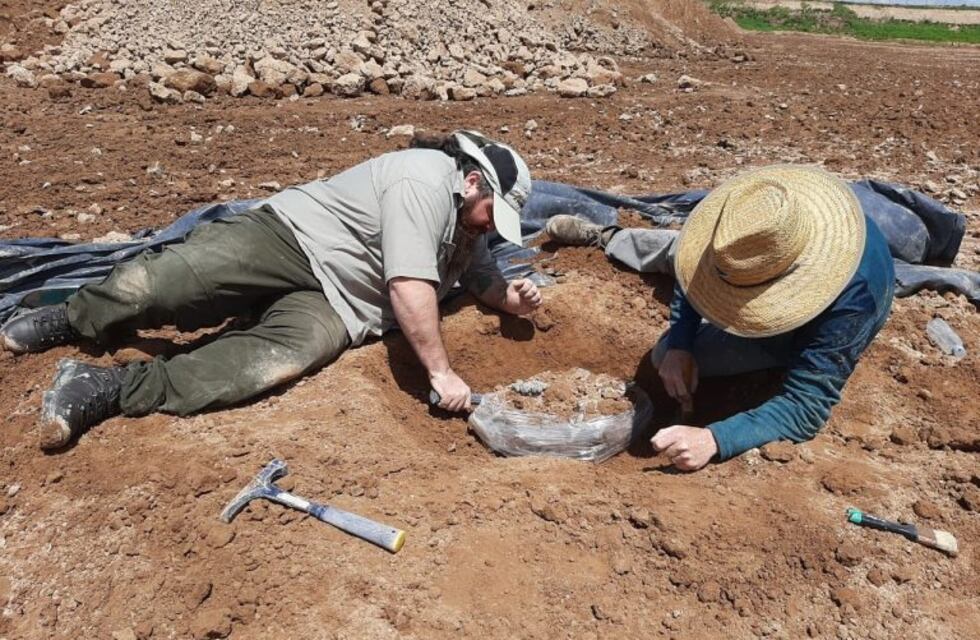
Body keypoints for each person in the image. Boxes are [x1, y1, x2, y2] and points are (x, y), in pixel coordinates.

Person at [0, 130, 542, 449]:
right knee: (167, 283)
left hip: (339, 302)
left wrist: (506, 298)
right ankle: (75, 317)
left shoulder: (470, 222)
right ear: (472, 181)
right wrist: (441, 373)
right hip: (290, 236)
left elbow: (479, 272)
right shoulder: (422, 180)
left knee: (270, 363)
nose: (492, 228)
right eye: (493, 214)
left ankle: (108, 388)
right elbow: (408, 284)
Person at [545, 165, 894, 471]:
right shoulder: (755, 217)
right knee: (672, 278)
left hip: (812, 327)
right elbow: (694, 274)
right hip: (759, 266)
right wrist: (681, 343)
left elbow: (806, 408)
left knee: (674, 345)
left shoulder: (850, 299)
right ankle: (612, 237)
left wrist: (715, 438)